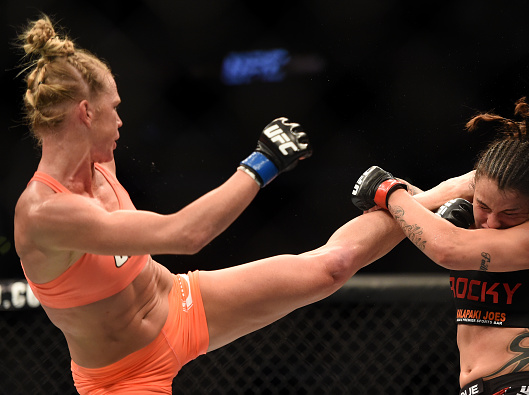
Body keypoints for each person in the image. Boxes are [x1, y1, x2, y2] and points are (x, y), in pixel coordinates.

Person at [13, 15, 474, 394]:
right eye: (112, 107)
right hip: (123, 376)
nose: (120, 118)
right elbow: (185, 234)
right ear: (85, 113)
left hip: (178, 302)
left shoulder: (99, 160)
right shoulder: (45, 213)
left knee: (329, 269)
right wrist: (261, 163)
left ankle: (441, 195)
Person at [352, 97, 529, 394]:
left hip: (526, 384)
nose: (492, 222)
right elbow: (419, 216)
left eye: (509, 213)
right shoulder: (466, 222)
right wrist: (412, 197)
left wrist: (390, 192)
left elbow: (446, 249)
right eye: (483, 206)